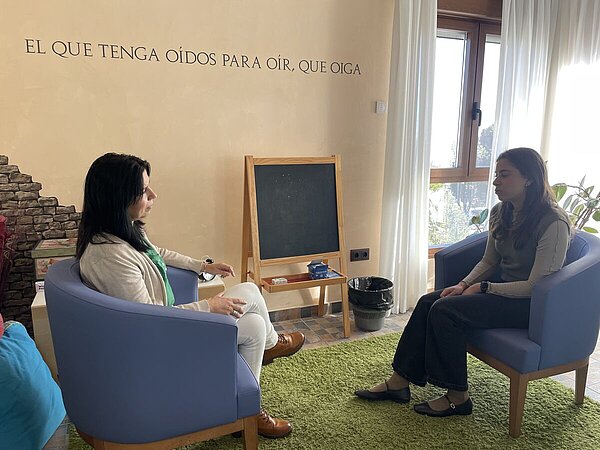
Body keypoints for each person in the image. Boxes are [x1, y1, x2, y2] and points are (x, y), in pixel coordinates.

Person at [76, 153, 305, 439]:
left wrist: (202, 266)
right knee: (253, 314)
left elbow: (158, 253)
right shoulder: (110, 257)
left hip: (169, 327)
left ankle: (252, 395)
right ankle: (260, 378)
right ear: (118, 197)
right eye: (143, 191)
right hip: (160, 343)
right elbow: (149, 319)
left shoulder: (122, 233)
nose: (153, 195)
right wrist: (208, 306)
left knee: (252, 303)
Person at [355, 147, 571, 417]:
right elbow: (489, 261)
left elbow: (535, 286)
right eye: (496, 175)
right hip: (501, 290)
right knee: (429, 301)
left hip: (529, 304)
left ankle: (458, 397)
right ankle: (400, 381)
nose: (496, 182)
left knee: (445, 311)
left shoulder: (553, 222)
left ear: (529, 178)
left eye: (505, 175)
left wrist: (484, 288)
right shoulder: (501, 212)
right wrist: (462, 285)